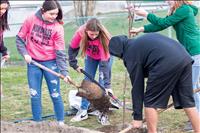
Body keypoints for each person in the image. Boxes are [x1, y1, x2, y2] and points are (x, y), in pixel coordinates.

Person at [109, 33, 200, 133]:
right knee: (188, 102)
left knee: (150, 102)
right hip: (184, 58)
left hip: (165, 62)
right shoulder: (138, 43)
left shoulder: (130, 55)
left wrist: (137, 118)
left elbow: (137, 88)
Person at [130, 1, 200, 130]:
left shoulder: (184, 10)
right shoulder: (179, 10)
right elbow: (160, 26)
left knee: (191, 89)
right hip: (189, 52)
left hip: (195, 51)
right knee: (193, 87)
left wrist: (146, 14)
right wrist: (142, 29)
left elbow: (163, 23)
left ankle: (197, 120)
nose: (167, 1)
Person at [16, 0, 70, 125]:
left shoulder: (58, 28)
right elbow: (19, 38)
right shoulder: (31, 19)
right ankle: (37, 123)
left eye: (56, 14)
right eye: (51, 14)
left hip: (50, 63)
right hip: (33, 63)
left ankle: (61, 123)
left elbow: (60, 53)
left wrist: (64, 72)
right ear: (42, 11)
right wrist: (25, 54)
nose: (54, 17)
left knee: (55, 94)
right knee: (34, 94)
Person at [68, 18, 113, 124]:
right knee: (87, 82)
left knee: (101, 85)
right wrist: (74, 64)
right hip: (91, 57)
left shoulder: (105, 37)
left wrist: (107, 85)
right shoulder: (80, 32)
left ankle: (103, 113)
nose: (93, 36)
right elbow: (72, 48)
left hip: (105, 59)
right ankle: (83, 111)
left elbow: (104, 65)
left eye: (95, 34)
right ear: (86, 30)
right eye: (91, 34)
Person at [0, 0, 10, 97]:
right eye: (1, 8)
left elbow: (1, 39)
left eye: (5, 9)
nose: (3, 11)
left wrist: (4, 52)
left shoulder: (2, 20)